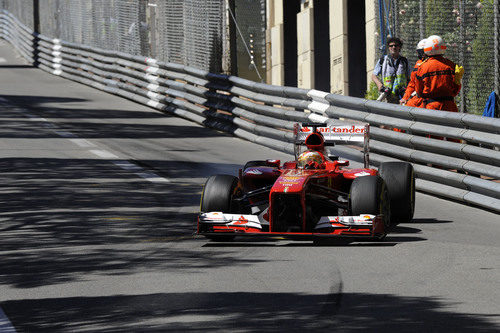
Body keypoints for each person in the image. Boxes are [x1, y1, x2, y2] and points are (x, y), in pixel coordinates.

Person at [415, 35, 461, 112]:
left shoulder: (423, 67)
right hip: (450, 107)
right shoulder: (451, 65)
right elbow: (455, 90)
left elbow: (419, 91)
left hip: (432, 107)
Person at [371, 37, 411, 104]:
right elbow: (373, 76)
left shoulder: (404, 61)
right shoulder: (383, 60)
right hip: (387, 96)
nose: (393, 47)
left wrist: (407, 91)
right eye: (391, 46)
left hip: (402, 97)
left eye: (396, 45)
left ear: (399, 47)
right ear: (388, 48)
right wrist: (379, 85)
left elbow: (410, 78)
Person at [400, 39, 427, 107]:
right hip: (419, 99)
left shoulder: (432, 64)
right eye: (420, 52)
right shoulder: (418, 64)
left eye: (423, 52)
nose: (422, 55)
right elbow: (412, 84)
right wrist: (405, 98)